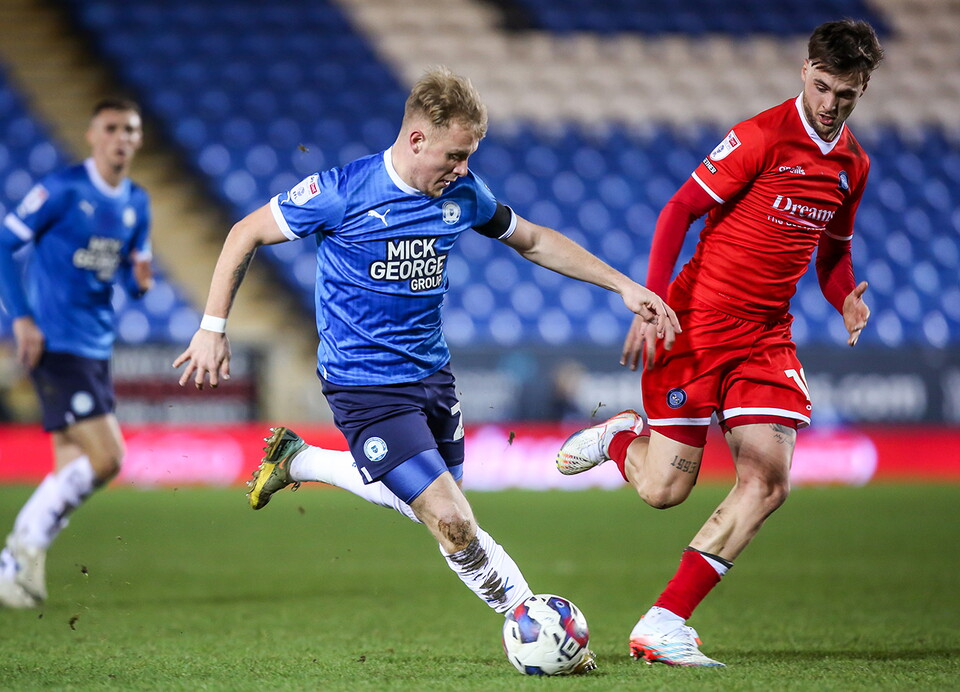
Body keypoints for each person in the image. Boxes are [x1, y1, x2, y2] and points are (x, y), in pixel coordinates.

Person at [173, 66, 678, 655]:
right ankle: (538, 626)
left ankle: (300, 460)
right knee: (454, 523)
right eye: (455, 155)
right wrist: (213, 328)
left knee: (425, 505)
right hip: (364, 387)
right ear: (417, 140)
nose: (463, 169)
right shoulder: (342, 190)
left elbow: (534, 240)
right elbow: (243, 233)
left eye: (469, 157)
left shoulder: (462, 194)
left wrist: (622, 286)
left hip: (433, 379)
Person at [556, 20, 884, 667]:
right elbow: (678, 210)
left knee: (768, 479)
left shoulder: (854, 165)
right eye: (822, 87)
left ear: (862, 88)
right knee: (662, 491)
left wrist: (844, 295)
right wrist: (651, 300)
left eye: (846, 95)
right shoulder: (760, 136)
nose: (829, 104)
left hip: (765, 338)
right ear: (805, 70)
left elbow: (834, 253)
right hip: (695, 327)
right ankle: (623, 436)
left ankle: (664, 621)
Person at [0, 98, 152, 608]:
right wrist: (20, 317)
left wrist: (139, 282)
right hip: (55, 341)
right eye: (111, 128)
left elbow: (131, 281)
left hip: (96, 345)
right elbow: (3, 243)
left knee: (70, 469)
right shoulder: (63, 190)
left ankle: (20, 571)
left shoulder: (137, 202)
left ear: (138, 139)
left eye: (130, 130)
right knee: (109, 458)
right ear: (92, 135)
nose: (121, 138)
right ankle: (13, 556)